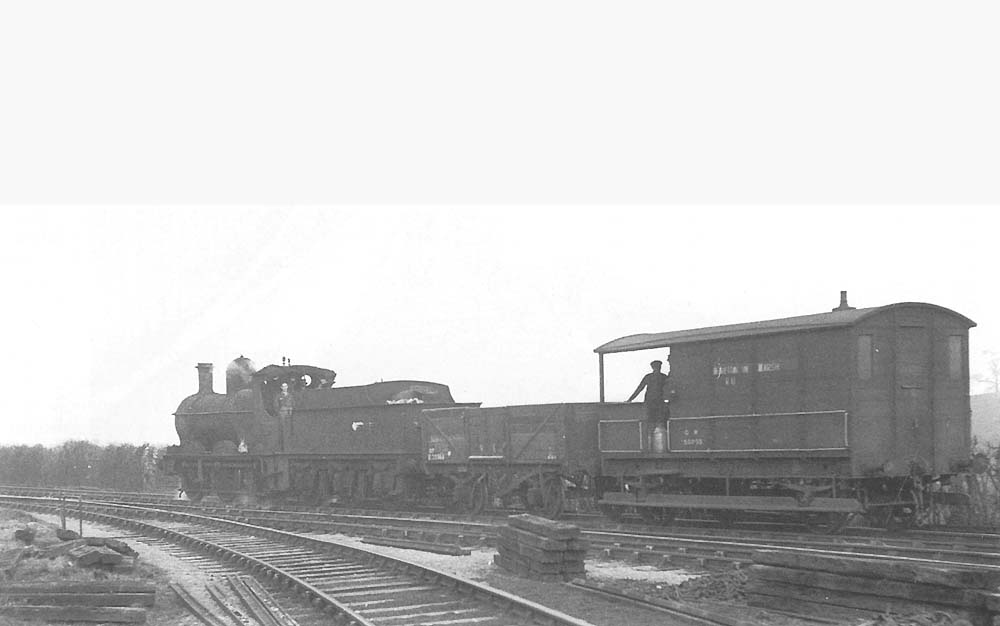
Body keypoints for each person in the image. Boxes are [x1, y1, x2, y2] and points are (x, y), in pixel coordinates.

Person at [626, 359, 673, 425]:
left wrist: (630, 399)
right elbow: (640, 388)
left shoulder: (651, 377)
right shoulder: (663, 377)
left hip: (653, 402)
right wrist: (630, 399)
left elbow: (639, 388)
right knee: (656, 421)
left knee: (651, 421)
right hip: (654, 402)